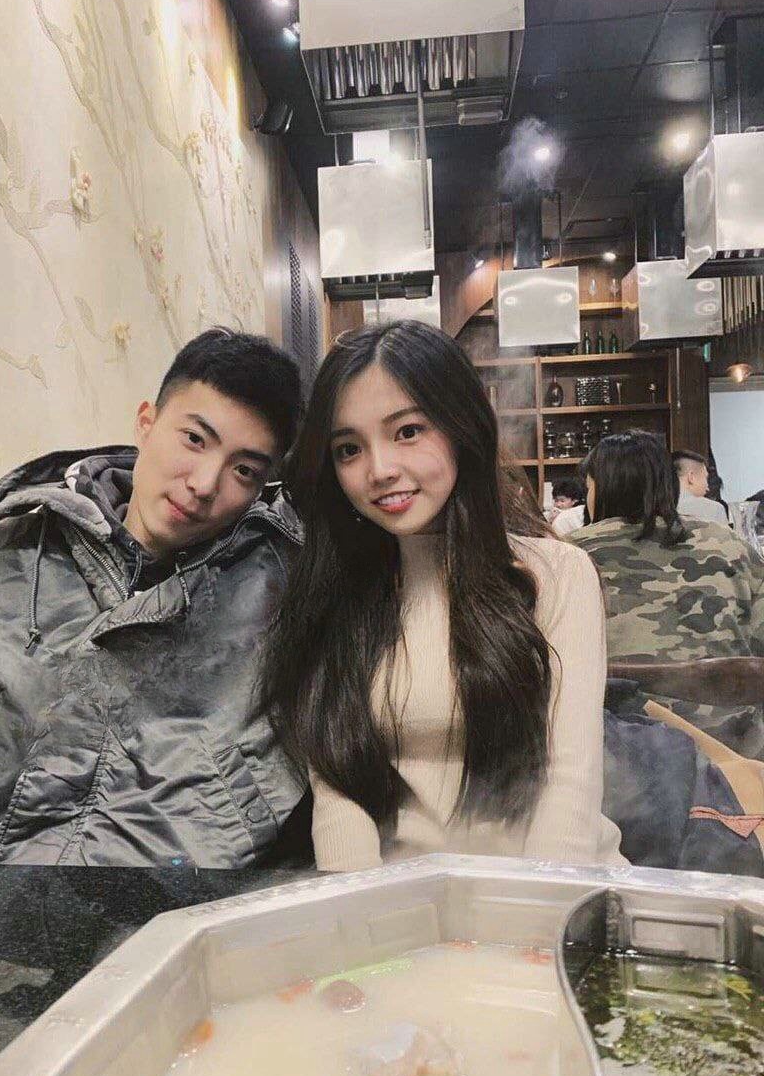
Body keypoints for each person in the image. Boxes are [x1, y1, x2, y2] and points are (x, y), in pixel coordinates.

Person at [0, 329, 308, 866]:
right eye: (194, 439)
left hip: (183, 903)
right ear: (146, 423)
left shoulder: (282, 591)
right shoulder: (0, 558)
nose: (205, 484)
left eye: (244, 470)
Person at [260, 321, 624, 871]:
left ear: (461, 428)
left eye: (407, 431)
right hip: (406, 899)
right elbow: (338, 792)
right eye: (349, 449)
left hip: (553, 889)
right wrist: (358, 913)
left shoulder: (557, 574)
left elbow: (568, 789)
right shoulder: (333, 589)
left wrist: (533, 915)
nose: (380, 470)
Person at [570, 431, 764, 756]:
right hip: (734, 756)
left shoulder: (567, 556)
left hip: (611, 762)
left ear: (600, 488)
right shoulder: (731, 546)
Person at [672, 449, 729, 525]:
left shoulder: (659, 508)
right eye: (705, 478)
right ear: (691, 477)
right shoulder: (714, 509)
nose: (707, 487)